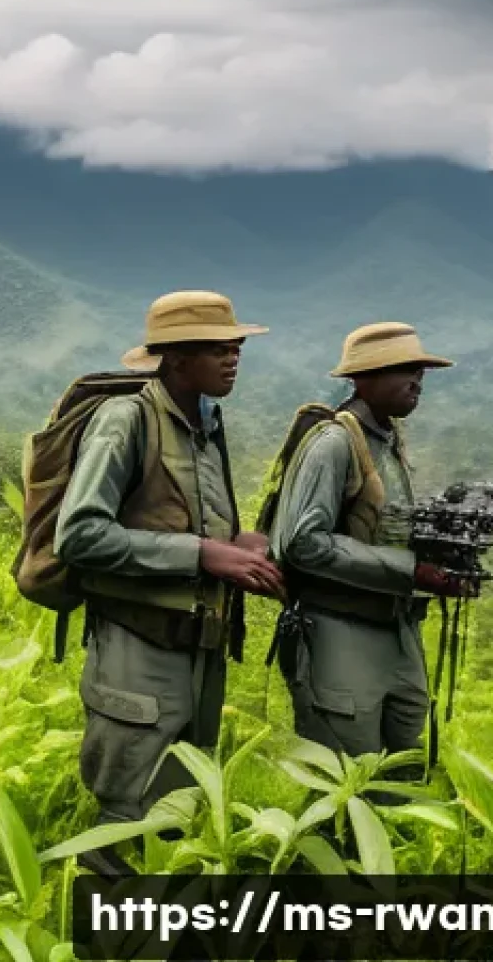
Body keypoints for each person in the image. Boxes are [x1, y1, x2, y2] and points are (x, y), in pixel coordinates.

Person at [53, 290, 285, 876]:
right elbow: (79, 535)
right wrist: (203, 554)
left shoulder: (204, 422)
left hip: (195, 643)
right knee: (126, 811)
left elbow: (180, 515)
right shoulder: (126, 420)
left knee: (176, 804)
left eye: (237, 347)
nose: (234, 358)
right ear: (177, 357)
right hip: (138, 642)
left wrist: (237, 544)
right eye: (219, 349)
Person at [268, 322, 472, 761]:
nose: (417, 380)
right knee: (345, 780)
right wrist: (409, 571)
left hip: (397, 631)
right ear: (363, 378)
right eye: (403, 369)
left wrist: (442, 567)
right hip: (339, 631)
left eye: (420, 369)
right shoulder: (334, 443)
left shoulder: (390, 440)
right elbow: (302, 541)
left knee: (404, 770)